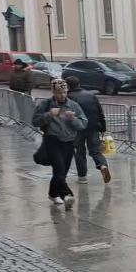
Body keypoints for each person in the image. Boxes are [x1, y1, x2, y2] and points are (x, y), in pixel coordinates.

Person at [32, 79, 87, 209]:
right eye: (58, 93)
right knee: (59, 168)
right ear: (53, 92)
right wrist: (49, 115)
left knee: (62, 172)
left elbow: (83, 124)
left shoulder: (73, 105)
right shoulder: (45, 104)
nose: (62, 95)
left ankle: (53, 193)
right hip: (52, 140)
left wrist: (73, 119)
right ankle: (66, 195)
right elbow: (35, 121)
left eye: (64, 92)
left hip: (69, 142)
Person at [64, 76, 111, 184]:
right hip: (93, 127)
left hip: (77, 128)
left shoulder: (68, 97)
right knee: (95, 151)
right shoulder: (91, 95)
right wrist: (102, 128)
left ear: (68, 85)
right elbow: (100, 112)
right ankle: (102, 166)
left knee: (79, 152)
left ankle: (82, 177)